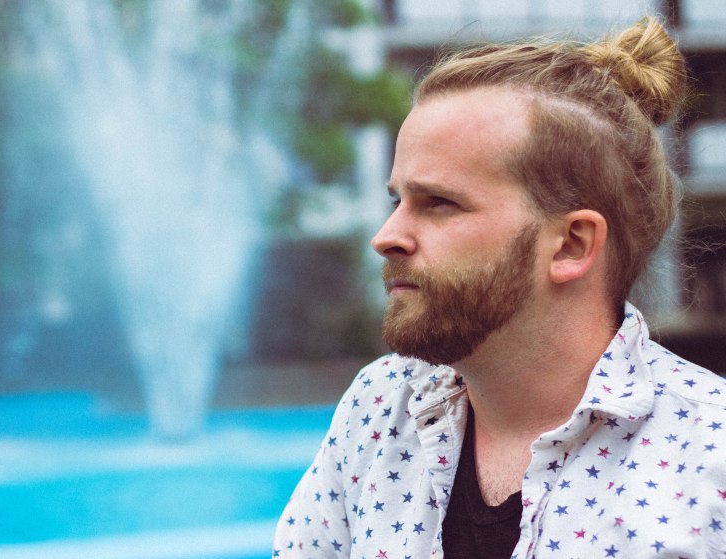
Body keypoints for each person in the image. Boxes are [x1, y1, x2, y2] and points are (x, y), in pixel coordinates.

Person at [273, 16, 726, 558]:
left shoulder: (708, 462)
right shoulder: (379, 407)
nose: (386, 236)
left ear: (571, 245)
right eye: (398, 201)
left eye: (439, 203)